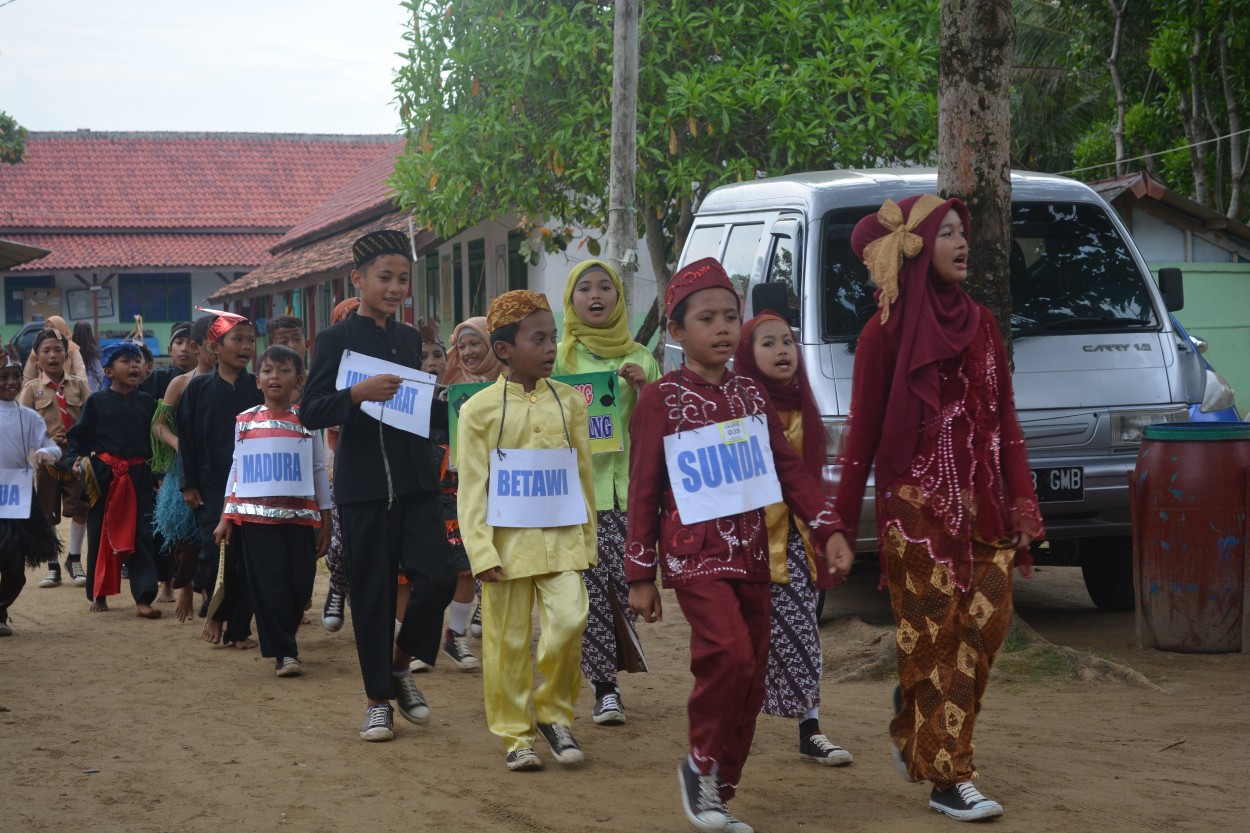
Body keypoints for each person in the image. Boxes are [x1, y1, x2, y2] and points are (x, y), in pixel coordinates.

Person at [834, 196, 1044, 822]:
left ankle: (916, 718)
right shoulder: (883, 333)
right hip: (916, 519)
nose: (960, 243)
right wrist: (841, 524)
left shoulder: (982, 324)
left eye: (963, 233)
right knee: (937, 639)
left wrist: (1023, 502)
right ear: (918, 248)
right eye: (946, 233)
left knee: (987, 626)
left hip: (983, 509)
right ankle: (949, 777)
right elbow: (861, 435)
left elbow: (1005, 419)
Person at [625, 258, 854, 833]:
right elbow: (643, 487)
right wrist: (639, 574)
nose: (723, 328)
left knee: (751, 672)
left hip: (754, 552)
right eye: (707, 318)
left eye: (731, 316)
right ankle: (700, 763)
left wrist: (826, 529)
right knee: (727, 653)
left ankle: (718, 787)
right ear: (677, 332)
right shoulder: (660, 399)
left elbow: (791, 473)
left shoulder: (753, 395)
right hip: (693, 552)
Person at [300, 230, 456, 742]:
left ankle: (399, 661)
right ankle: (377, 701)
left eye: (403, 279)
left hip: (415, 480)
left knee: (437, 577)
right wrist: (355, 395)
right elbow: (310, 411)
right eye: (384, 278)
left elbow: (413, 408)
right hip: (363, 485)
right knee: (372, 595)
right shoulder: (335, 340)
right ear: (359, 280)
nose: (395, 288)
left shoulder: (410, 339)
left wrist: (450, 403)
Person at [457, 289, 596, 771]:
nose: (550, 347)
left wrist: (590, 540)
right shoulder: (477, 411)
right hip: (505, 547)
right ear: (504, 350)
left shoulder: (570, 404)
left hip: (562, 541)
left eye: (553, 337)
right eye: (539, 339)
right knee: (506, 643)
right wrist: (480, 551)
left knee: (570, 621)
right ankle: (516, 735)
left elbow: (582, 478)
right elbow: (472, 487)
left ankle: (555, 715)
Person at [732, 311, 854, 766]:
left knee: (803, 632)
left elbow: (808, 480)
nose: (782, 350)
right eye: (768, 343)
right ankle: (726, 730)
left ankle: (811, 728)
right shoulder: (735, 404)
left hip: (797, 542)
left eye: (787, 341)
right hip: (743, 545)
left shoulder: (804, 402)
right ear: (747, 352)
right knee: (739, 645)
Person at [553, 259, 660, 726]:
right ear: (571, 300)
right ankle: (605, 687)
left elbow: (663, 421)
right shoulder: (559, 357)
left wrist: (646, 388)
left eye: (605, 288)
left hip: (632, 496)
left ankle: (612, 671)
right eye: (584, 288)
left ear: (619, 297)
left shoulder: (642, 355)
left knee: (624, 587)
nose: (595, 296)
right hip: (578, 496)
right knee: (591, 594)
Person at [214, 345, 332, 677]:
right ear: (258, 380)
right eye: (267, 371)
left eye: (283, 370)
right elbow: (236, 468)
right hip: (255, 520)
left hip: (299, 519)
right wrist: (226, 516)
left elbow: (319, 469)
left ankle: (286, 636)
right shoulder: (245, 422)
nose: (274, 376)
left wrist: (326, 518)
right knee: (270, 584)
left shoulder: (308, 421)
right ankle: (284, 653)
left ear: (299, 379)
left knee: (300, 584)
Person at [177, 309, 262, 648]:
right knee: (214, 552)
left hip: (253, 485)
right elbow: (187, 439)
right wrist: (189, 483)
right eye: (237, 340)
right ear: (215, 346)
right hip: (211, 486)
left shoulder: (258, 388)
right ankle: (214, 613)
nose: (246, 347)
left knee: (245, 558)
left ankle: (239, 629)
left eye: (251, 340)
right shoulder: (197, 389)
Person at [64, 341, 161, 618]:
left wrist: (157, 475)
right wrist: (76, 462)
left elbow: (155, 444)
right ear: (108, 370)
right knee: (101, 534)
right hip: (104, 476)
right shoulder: (96, 402)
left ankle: (143, 597)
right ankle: (99, 593)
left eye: (138, 361)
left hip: (139, 477)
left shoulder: (148, 403)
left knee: (142, 534)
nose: (134, 365)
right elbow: (78, 438)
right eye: (126, 361)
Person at [411, 318, 479, 672]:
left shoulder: (464, 400)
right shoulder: (401, 403)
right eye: (423, 355)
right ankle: (414, 642)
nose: (433, 361)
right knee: (414, 575)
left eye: (438, 353)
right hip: (416, 498)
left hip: (459, 497)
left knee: (466, 568)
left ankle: (456, 637)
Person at [151, 315, 218, 622]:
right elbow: (158, 425)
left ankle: (209, 592)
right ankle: (185, 585)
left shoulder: (237, 384)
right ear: (198, 346)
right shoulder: (180, 383)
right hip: (184, 469)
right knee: (185, 536)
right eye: (213, 344)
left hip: (221, 469)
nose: (219, 350)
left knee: (214, 534)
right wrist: (178, 444)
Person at [19, 328, 91, 590]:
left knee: (80, 509)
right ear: (36, 359)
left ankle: (74, 559)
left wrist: (77, 437)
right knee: (48, 514)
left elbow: (93, 419)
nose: (52, 356)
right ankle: (52, 564)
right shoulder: (30, 390)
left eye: (58, 350)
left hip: (76, 460)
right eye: (46, 351)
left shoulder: (80, 386)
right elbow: (22, 426)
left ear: (66, 355)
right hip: (47, 463)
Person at [0, 344, 63, 636]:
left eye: (15, 376)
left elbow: (48, 444)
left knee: (15, 572)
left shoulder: (27, 417)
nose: (11, 382)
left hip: (17, 498)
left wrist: (49, 453)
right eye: (3, 376)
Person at [319, 297, 360, 633]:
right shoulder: (330, 364)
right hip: (340, 464)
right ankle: (337, 586)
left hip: (386, 463)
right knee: (343, 541)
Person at [139, 321, 196, 401]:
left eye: (191, 344)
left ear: (198, 349)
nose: (184, 348)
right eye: (179, 342)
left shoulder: (206, 379)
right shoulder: (156, 378)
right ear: (170, 350)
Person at [23, 315, 86, 383]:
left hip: (67, 388)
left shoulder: (71, 348)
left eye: (52, 327)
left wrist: (81, 387)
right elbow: (28, 375)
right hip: (44, 388)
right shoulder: (38, 348)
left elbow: (80, 371)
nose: (48, 329)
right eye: (46, 326)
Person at [443, 316, 503, 385]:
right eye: (461, 347)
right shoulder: (450, 381)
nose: (467, 352)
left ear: (490, 345)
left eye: (474, 344)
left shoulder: (512, 377)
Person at [72, 322, 105, 392]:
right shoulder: (92, 351)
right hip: (90, 387)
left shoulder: (71, 350)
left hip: (74, 387)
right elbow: (99, 372)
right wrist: (105, 386)